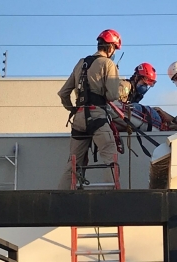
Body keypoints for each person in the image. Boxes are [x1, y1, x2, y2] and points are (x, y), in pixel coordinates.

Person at [57, 29, 122, 190]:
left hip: (79, 118)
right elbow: (112, 94)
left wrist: (73, 109)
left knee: (73, 163)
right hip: (97, 116)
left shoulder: (81, 63)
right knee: (110, 155)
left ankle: (61, 198)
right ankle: (111, 196)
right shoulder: (108, 64)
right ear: (111, 47)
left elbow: (63, 93)